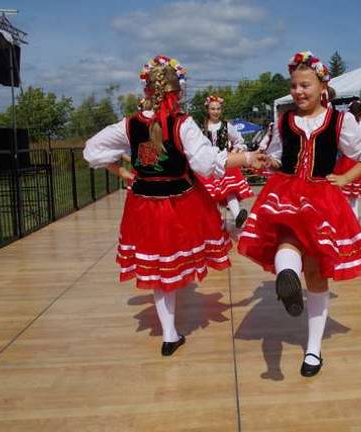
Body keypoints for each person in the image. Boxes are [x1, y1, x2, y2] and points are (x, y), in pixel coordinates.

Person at [83, 55, 265, 356]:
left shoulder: (129, 125)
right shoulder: (182, 123)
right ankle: (256, 242)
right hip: (181, 200)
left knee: (158, 269)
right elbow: (207, 164)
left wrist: (126, 169)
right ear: (178, 92)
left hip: (142, 204)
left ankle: (169, 334)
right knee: (211, 236)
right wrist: (247, 158)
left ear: (146, 91)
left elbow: (92, 151)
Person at [238, 51, 361, 377]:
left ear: (322, 86)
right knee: (286, 241)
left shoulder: (340, 120)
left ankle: (313, 348)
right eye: (294, 86)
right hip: (287, 190)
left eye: (304, 85)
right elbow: (279, 156)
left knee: (317, 272)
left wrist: (347, 178)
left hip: (321, 196)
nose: (298, 92)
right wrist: (269, 161)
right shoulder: (284, 121)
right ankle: (286, 280)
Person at [198, 95, 254, 228]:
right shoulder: (201, 127)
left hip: (225, 162)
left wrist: (235, 152)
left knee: (229, 190)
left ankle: (237, 215)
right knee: (211, 194)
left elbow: (239, 140)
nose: (216, 111)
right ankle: (218, 221)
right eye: (213, 109)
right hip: (208, 164)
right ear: (207, 109)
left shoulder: (226, 126)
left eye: (218, 109)